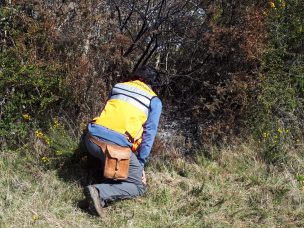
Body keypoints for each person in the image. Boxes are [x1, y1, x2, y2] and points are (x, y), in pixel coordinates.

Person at [82, 65, 162, 216]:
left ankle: (99, 189)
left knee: (112, 159)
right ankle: (99, 192)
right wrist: (141, 164)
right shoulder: (154, 100)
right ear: (152, 83)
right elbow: (149, 135)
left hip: (91, 139)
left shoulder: (118, 87)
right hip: (114, 148)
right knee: (138, 186)